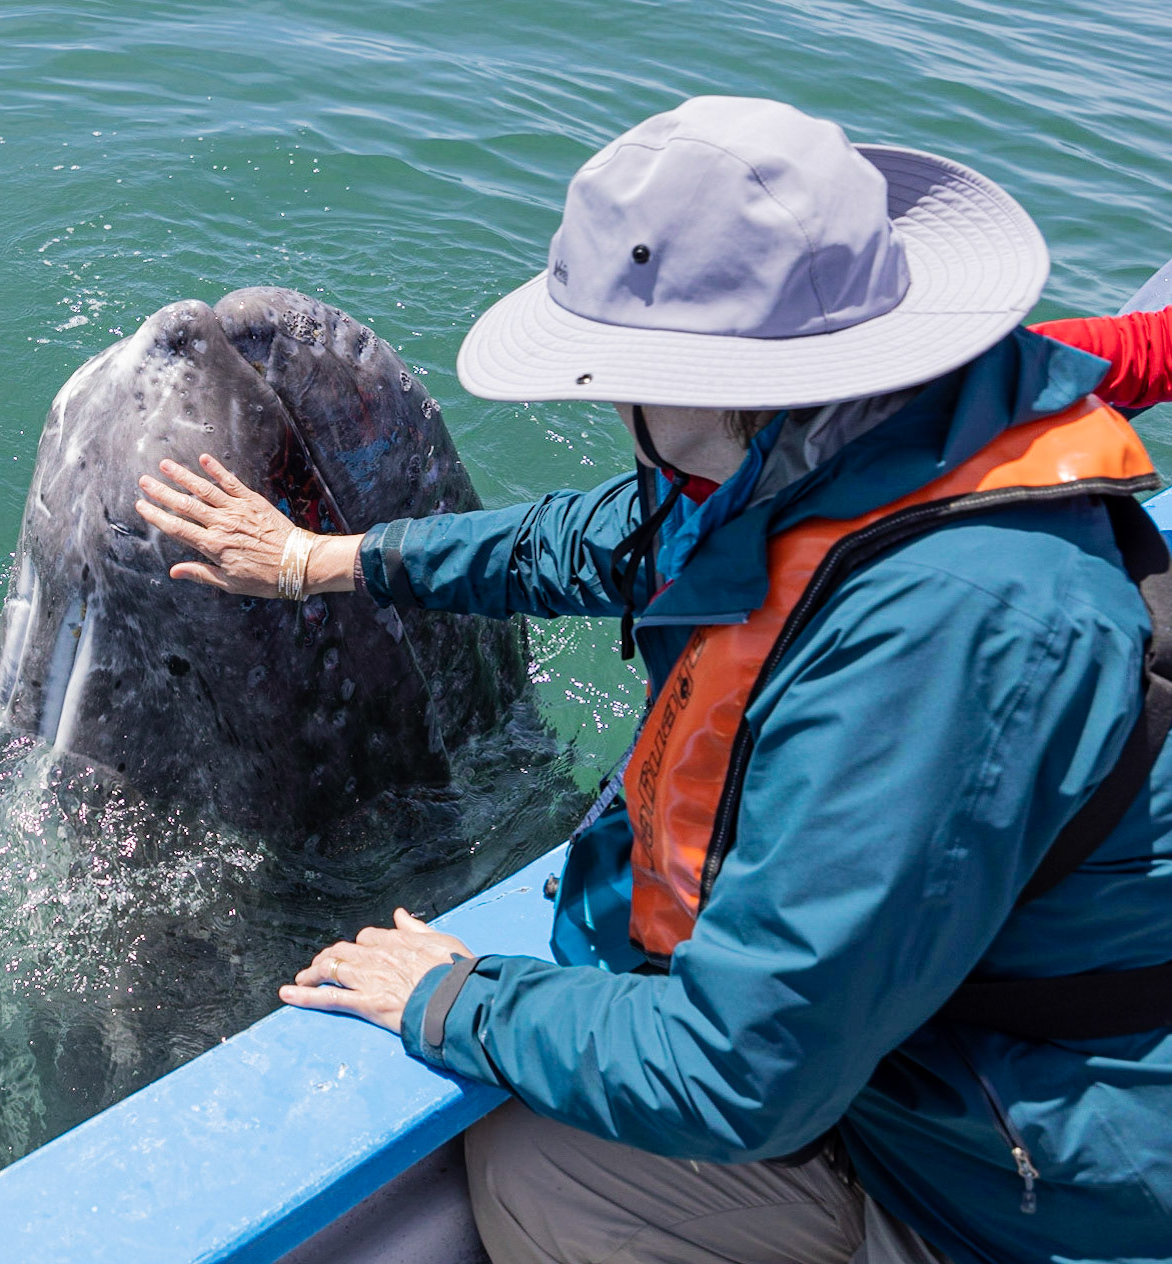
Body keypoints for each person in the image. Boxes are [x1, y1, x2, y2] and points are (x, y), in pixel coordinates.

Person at [135, 97, 1172, 1264]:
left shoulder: (939, 640)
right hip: (936, 1064)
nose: (611, 403)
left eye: (627, 375)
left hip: (1030, 1191)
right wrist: (325, 561)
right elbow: (613, 539)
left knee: (542, 1168)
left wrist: (453, 995)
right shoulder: (874, 438)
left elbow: (745, 1073)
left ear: (727, 384)